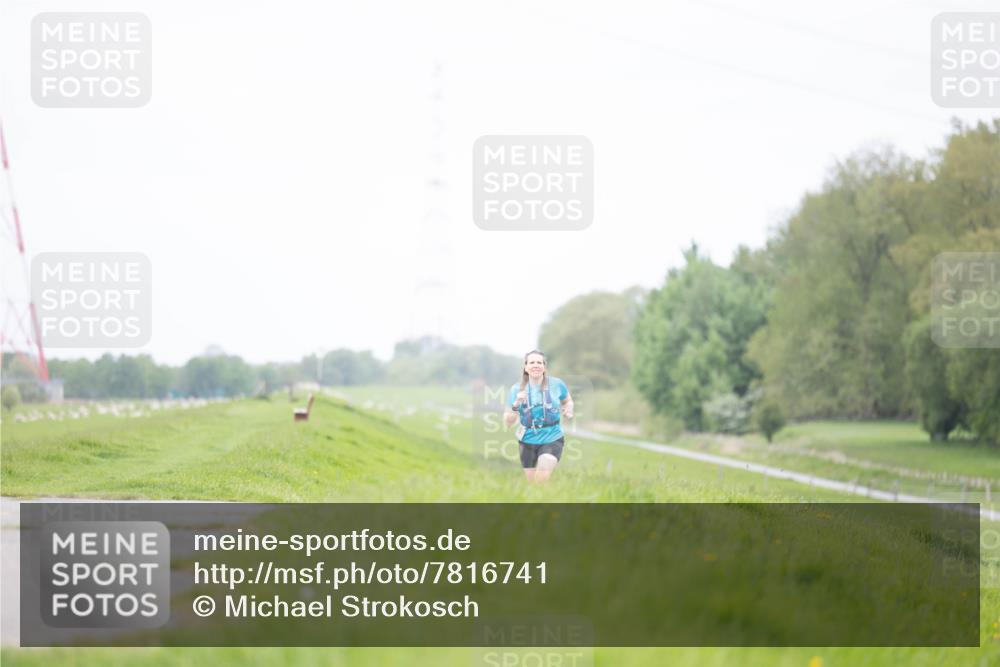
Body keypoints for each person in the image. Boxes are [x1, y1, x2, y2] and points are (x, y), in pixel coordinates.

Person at [504, 350, 574, 482]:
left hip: (552, 437)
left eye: (539, 362)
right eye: (532, 362)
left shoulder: (557, 384)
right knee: (532, 483)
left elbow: (568, 401)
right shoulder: (516, 389)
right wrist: (516, 403)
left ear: (544, 366)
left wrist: (568, 409)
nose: (536, 365)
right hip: (527, 440)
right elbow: (508, 422)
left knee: (541, 479)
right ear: (525, 367)